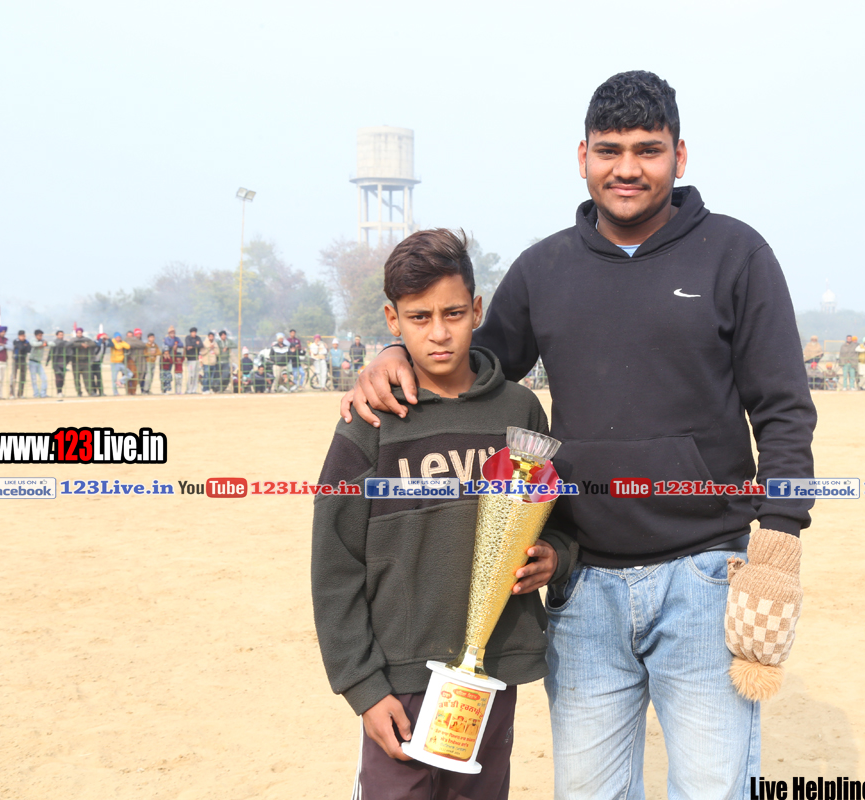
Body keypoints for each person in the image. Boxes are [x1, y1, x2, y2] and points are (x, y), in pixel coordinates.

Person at [338, 71, 814, 798]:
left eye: (648, 150)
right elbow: (470, 367)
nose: (628, 168)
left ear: (680, 155)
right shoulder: (544, 269)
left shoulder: (736, 255)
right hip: (581, 587)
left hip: (706, 577)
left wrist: (778, 540)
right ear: (582, 156)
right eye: (610, 150)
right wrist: (395, 352)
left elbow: (783, 408)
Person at [312, 228, 573, 800]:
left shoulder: (520, 409)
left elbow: (556, 517)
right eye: (419, 317)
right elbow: (335, 562)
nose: (438, 332)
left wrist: (556, 554)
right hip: (398, 679)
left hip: (492, 672)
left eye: (453, 313)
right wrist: (362, 685)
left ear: (476, 309)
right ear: (393, 319)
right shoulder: (372, 419)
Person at [68, 327, 95, 397]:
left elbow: (93, 344)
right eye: (78, 333)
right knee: (76, 378)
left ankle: (90, 392)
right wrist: (80, 345)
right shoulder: (73, 340)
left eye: (80, 333)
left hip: (85, 361)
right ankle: (79, 392)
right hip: (76, 362)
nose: (79, 334)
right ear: (76, 333)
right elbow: (69, 344)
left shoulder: (86, 339)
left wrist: (86, 344)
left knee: (87, 378)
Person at [47, 329, 69, 400]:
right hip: (56, 362)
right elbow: (50, 352)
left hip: (63, 362)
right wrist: (48, 360)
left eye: (62, 335)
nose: (61, 336)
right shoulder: (54, 343)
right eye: (60, 335)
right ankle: (59, 392)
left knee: (62, 378)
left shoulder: (65, 343)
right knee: (58, 378)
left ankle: (60, 391)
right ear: (57, 335)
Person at [26, 330, 48, 398]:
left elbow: (50, 344)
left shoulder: (43, 341)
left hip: (39, 362)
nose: (41, 337)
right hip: (32, 362)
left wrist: (44, 343)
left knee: (44, 378)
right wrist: (43, 343)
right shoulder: (33, 340)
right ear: (36, 335)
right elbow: (34, 344)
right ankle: (36, 394)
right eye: (39, 335)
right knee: (34, 379)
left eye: (41, 335)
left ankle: (43, 394)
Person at [10, 330, 32, 398]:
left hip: (23, 360)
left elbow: (29, 349)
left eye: (24, 336)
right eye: (22, 336)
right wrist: (24, 346)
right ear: (19, 336)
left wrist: (24, 346)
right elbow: (20, 347)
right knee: (13, 377)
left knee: (22, 378)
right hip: (16, 360)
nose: (23, 337)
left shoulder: (27, 342)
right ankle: (11, 394)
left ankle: (20, 394)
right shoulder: (16, 341)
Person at [183, 327, 202, 394]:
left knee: (196, 375)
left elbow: (201, 345)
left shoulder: (198, 338)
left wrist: (193, 346)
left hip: (196, 359)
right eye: (193, 332)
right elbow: (188, 345)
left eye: (195, 332)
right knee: (191, 375)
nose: (194, 333)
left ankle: (194, 390)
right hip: (190, 359)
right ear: (191, 333)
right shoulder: (188, 338)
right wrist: (196, 344)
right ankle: (189, 390)